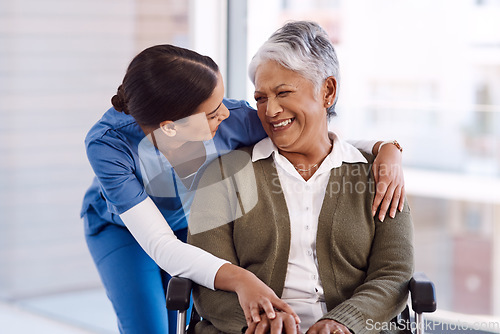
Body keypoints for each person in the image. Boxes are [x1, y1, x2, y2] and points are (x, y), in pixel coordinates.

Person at [81, 44, 406, 333]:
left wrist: (385, 148)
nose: (226, 113)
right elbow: (160, 245)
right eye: (211, 113)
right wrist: (243, 279)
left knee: (181, 320)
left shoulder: (233, 117)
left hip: (193, 224)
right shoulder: (108, 145)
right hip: (123, 231)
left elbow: (316, 136)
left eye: (221, 101)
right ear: (170, 128)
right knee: (149, 328)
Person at [188, 21, 414, 334]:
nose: (270, 110)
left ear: (328, 91)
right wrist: (263, 323)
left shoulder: (379, 174)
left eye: (283, 93)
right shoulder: (223, 175)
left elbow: (393, 274)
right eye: (261, 98)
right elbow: (207, 278)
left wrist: (343, 323)